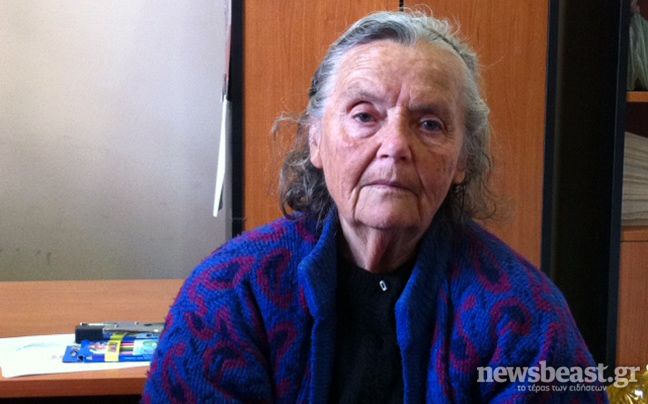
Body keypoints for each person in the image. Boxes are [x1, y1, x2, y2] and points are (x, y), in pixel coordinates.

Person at [143, 11, 607, 403]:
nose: (396, 146)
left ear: (463, 160)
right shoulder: (231, 293)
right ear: (316, 140)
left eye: (430, 124)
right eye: (365, 115)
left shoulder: (523, 315)